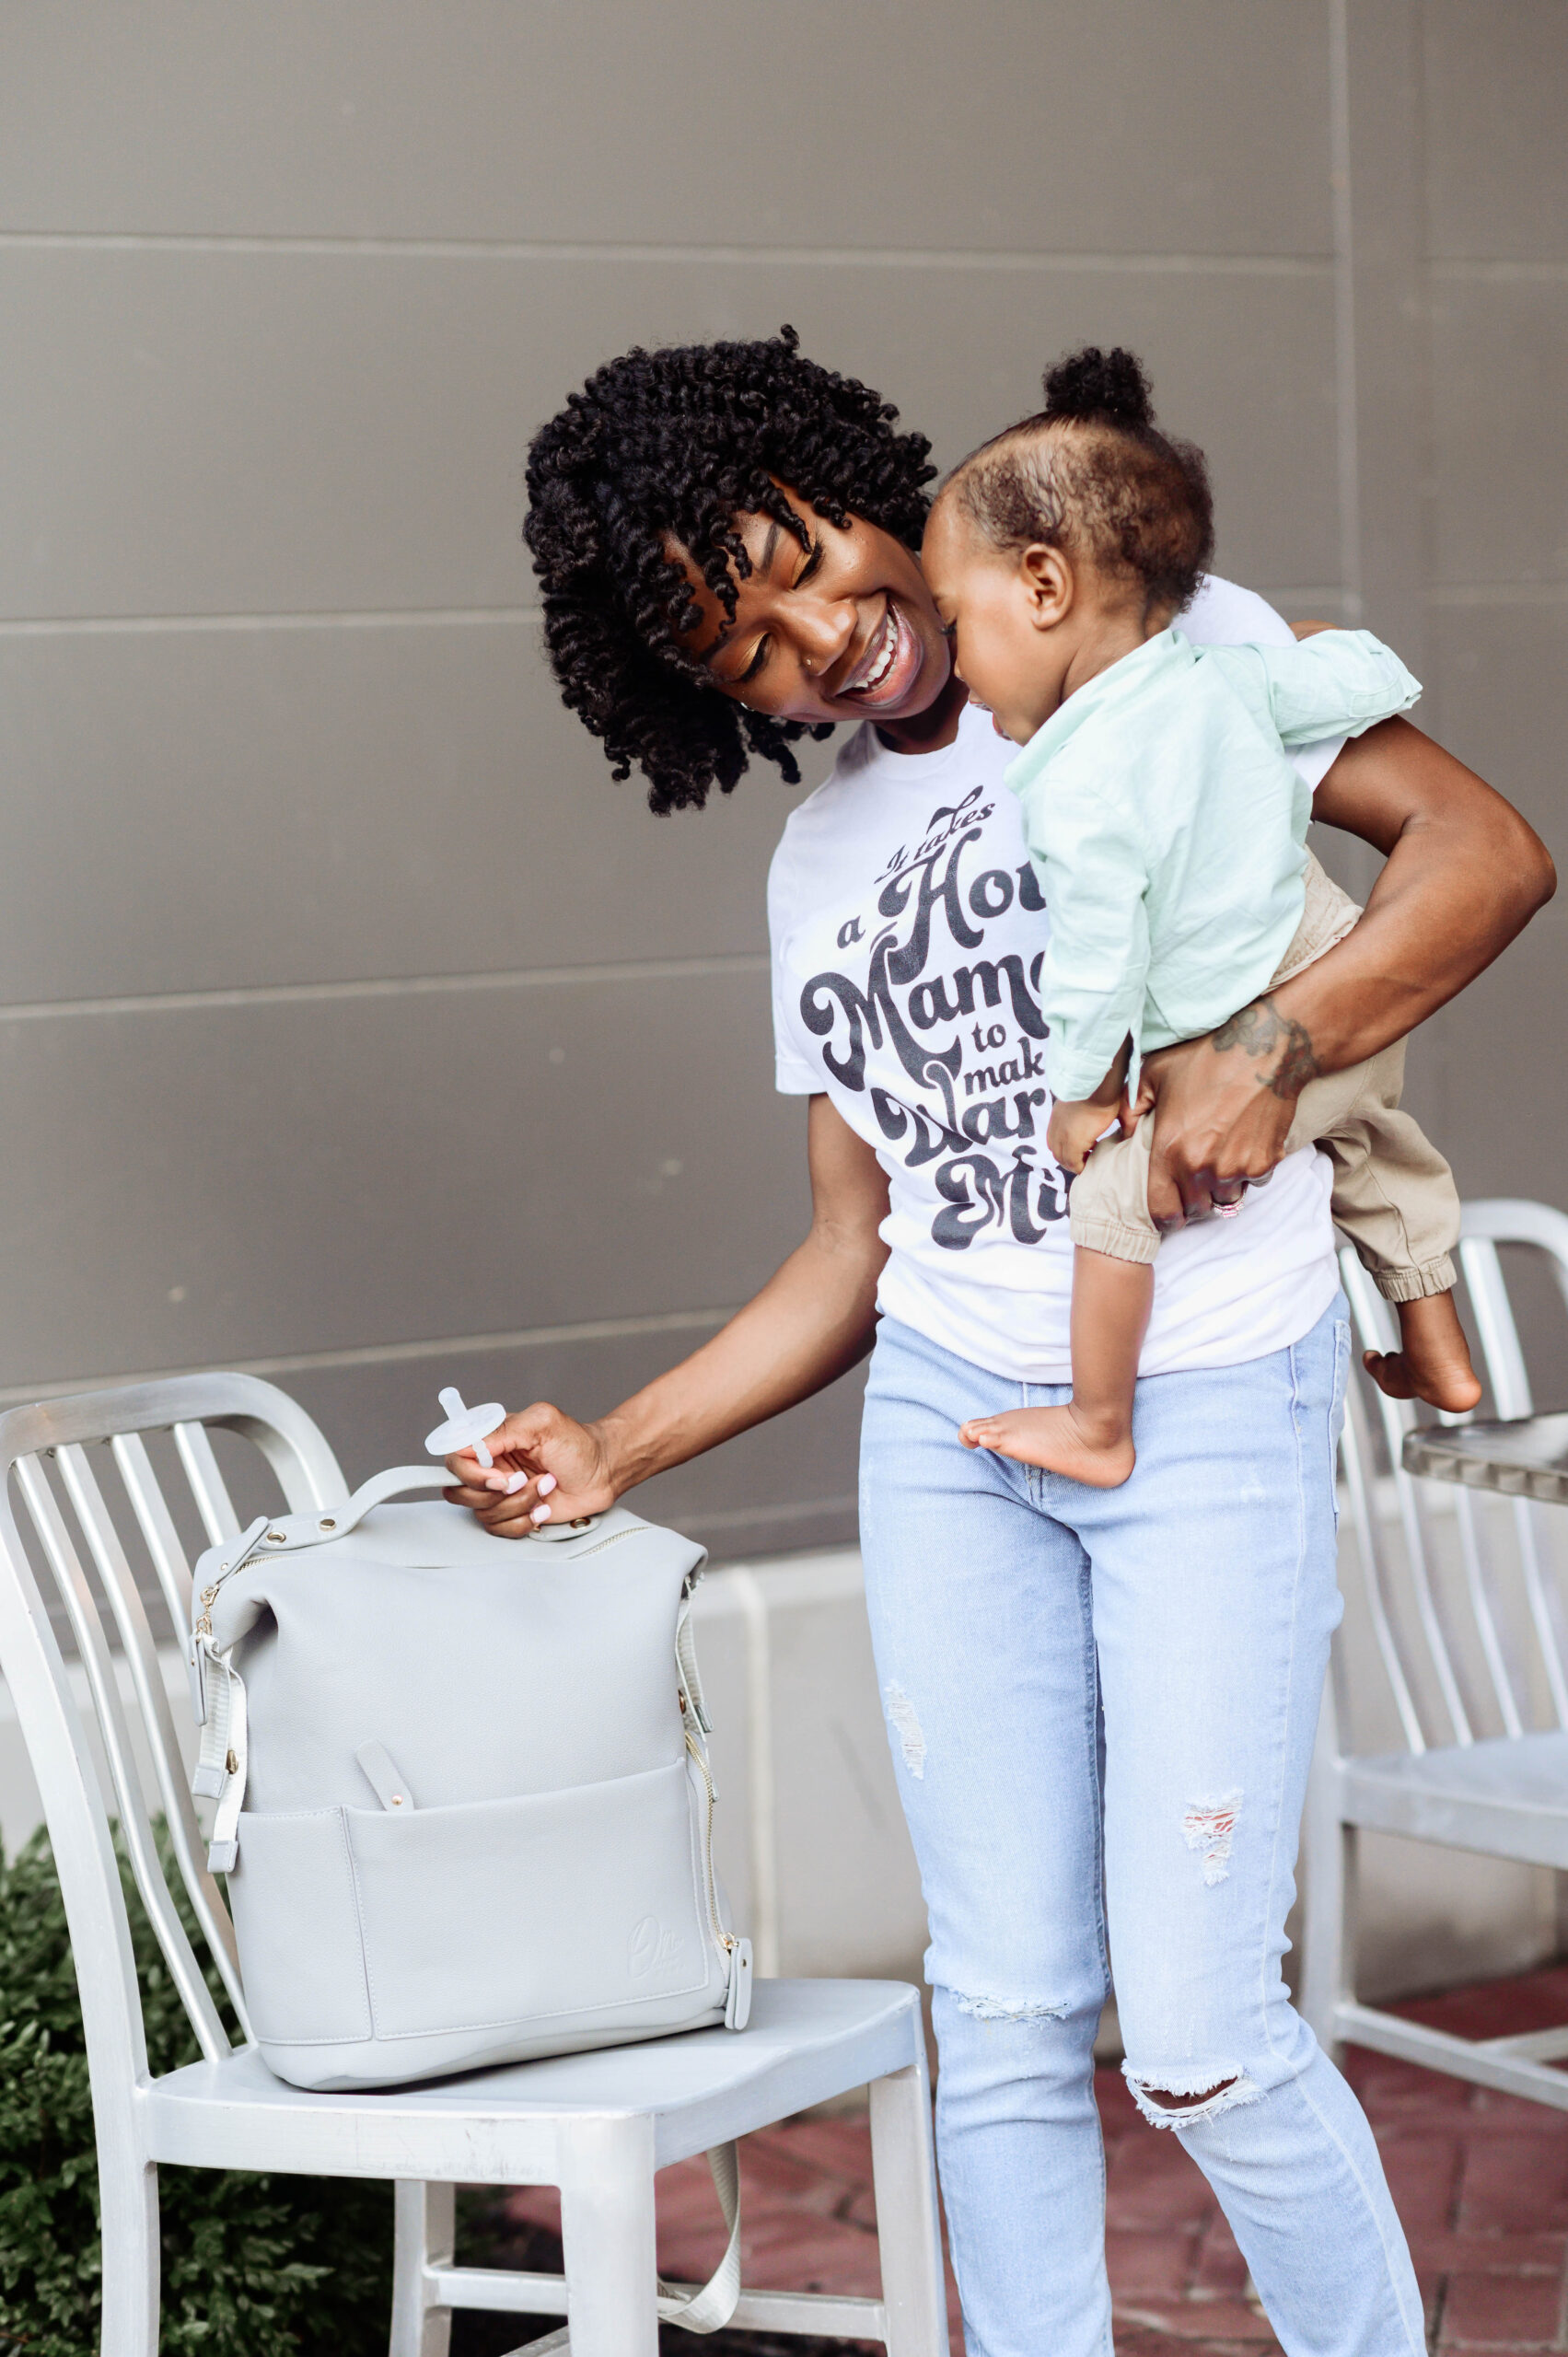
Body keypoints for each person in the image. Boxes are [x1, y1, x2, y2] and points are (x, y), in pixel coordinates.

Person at [447, 329, 1554, 2356]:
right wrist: (612, 1441)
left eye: (802, 558)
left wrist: (1264, 1048)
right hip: (954, 1430)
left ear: (858, 479)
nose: (816, 637)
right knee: (1010, 2019)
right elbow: (852, 1253)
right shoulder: (817, 866)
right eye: (744, 649)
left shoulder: (1165, 646)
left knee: (1203, 2031)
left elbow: (1483, 854)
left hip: (1203, 1399)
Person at [917, 344, 1480, 1491]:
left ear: (1040, 587)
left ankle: (1095, 1423)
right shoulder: (1223, 674)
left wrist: (1077, 1097)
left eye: (953, 621)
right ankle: (1437, 1346)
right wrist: (1353, 653)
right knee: (1366, 1140)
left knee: (1111, 1202)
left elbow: (1095, 960)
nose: (954, 665)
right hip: (1323, 942)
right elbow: (1351, 678)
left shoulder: (1075, 787)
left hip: (1232, 990)